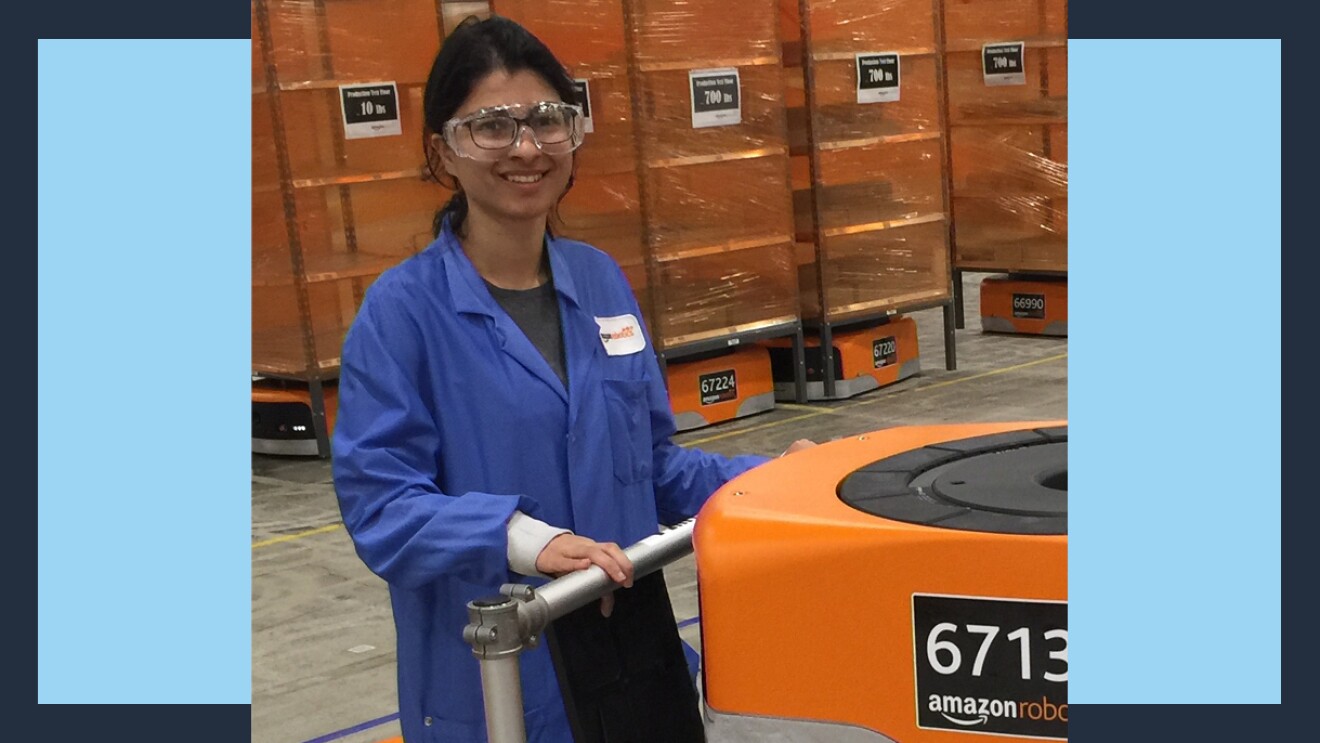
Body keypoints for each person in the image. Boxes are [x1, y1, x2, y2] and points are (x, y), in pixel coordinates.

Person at [332, 15, 813, 743]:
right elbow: (382, 507)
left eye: (548, 120)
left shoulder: (599, 280)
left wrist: (769, 481)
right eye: (492, 125)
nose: (526, 147)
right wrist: (524, 539)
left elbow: (652, 466)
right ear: (444, 150)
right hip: (498, 681)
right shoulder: (402, 313)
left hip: (628, 666)